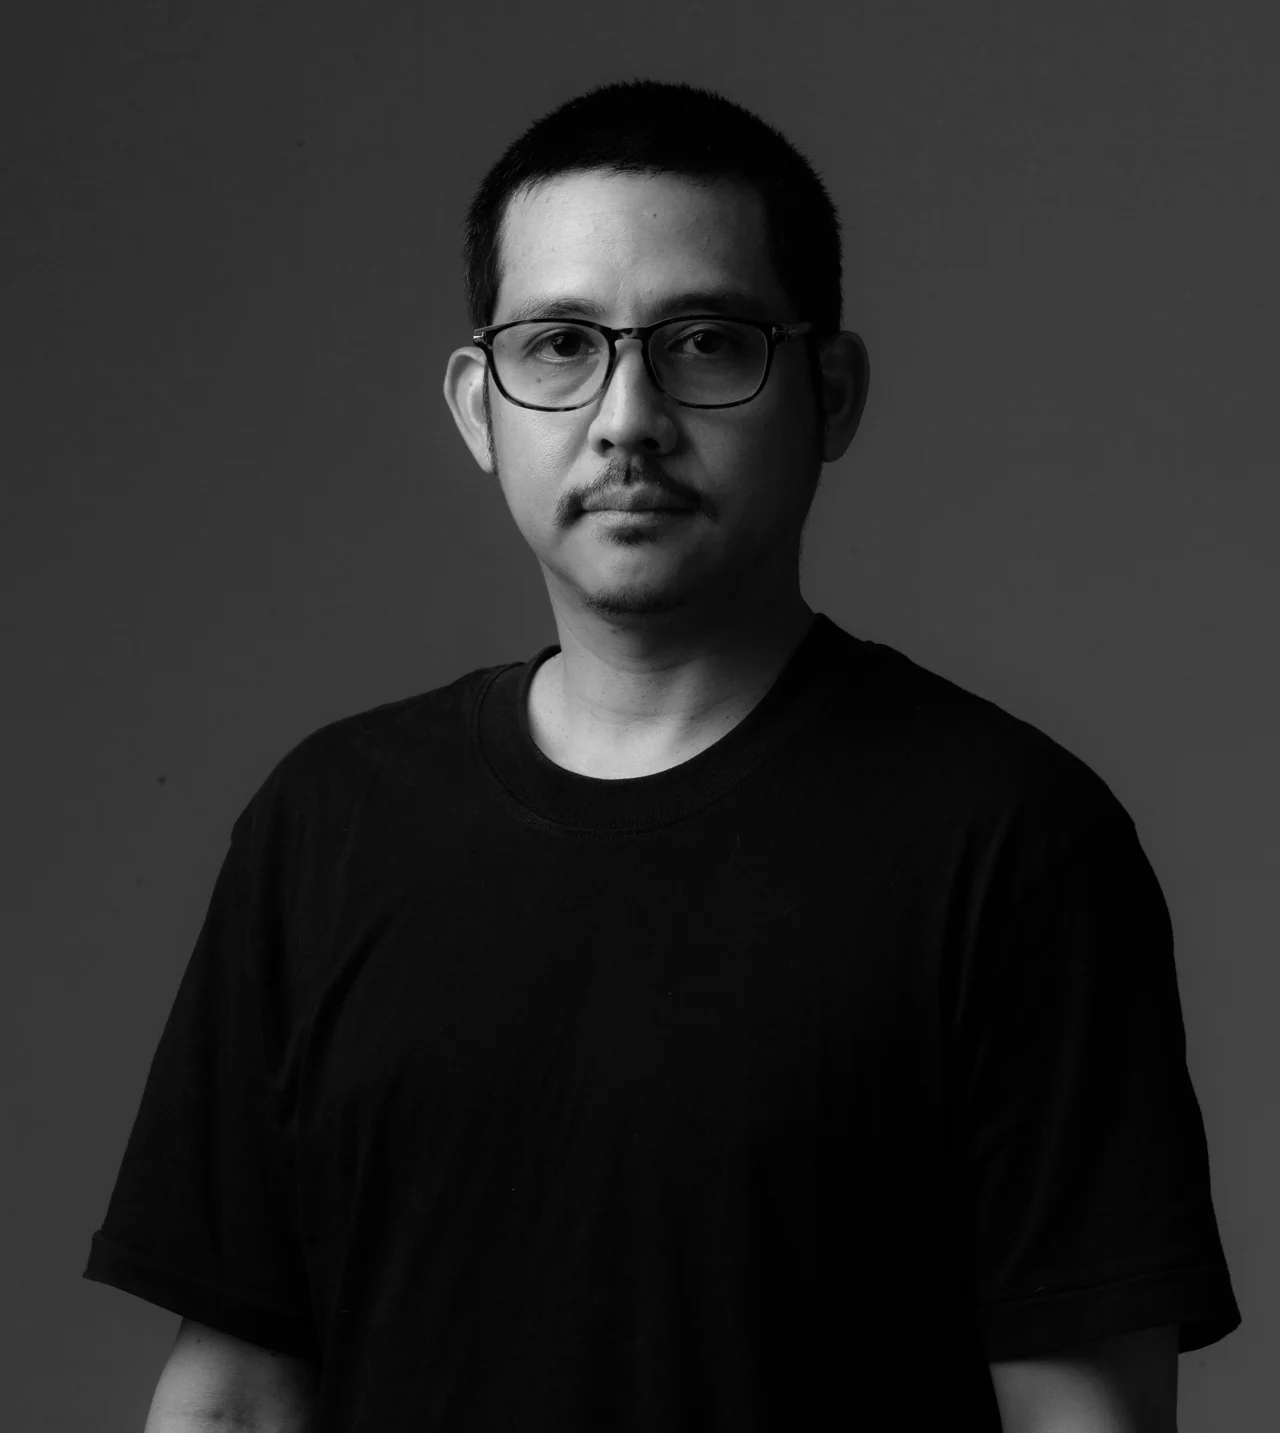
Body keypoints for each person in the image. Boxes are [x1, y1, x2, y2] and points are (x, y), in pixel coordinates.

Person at [84, 80, 1240, 1431]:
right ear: (478, 407)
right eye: (560, 346)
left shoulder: (1012, 843)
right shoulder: (328, 824)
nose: (627, 417)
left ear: (831, 393)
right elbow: (230, 1400)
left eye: (704, 341)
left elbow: (1084, 1422)